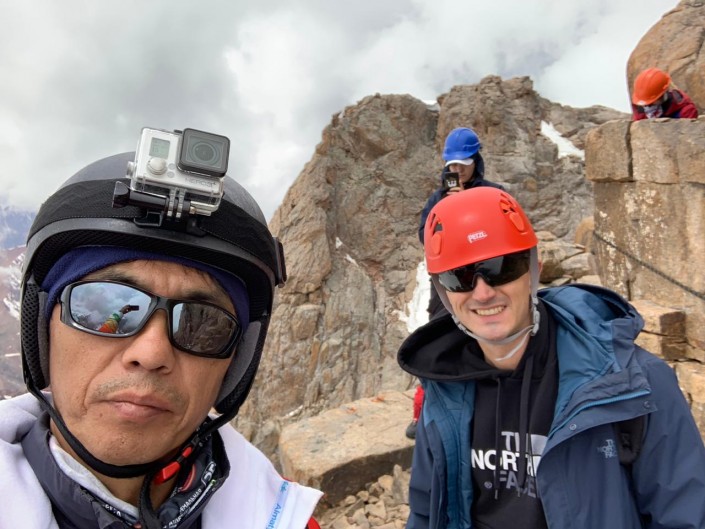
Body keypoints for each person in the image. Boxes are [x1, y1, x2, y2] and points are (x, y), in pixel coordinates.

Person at [0, 128, 322, 529]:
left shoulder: (289, 520)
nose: (151, 353)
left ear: (235, 365)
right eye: (105, 305)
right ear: (41, 332)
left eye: (203, 323)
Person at [398, 186, 705, 528]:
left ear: (534, 270)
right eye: (461, 277)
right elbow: (426, 511)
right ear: (444, 292)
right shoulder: (444, 389)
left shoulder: (634, 382)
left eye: (501, 268)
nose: (483, 293)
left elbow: (686, 515)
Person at [406, 127, 504, 440]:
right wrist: (447, 210)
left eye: (464, 163)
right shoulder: (437, 199)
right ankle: (425, 410)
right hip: (448, 278)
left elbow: (502, 231)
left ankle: (492, 407)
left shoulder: (492, 193)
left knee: (490, 335)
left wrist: (470, 206)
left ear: (476, 160)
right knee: (438, 336)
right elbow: (425, 237)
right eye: (452, 164)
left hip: (488, 275)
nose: (458, 170)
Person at [631, 67, 699, 120]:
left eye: (650, 103)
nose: (647, 106)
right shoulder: (640, 107)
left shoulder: (685, 110)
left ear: (662, 96)